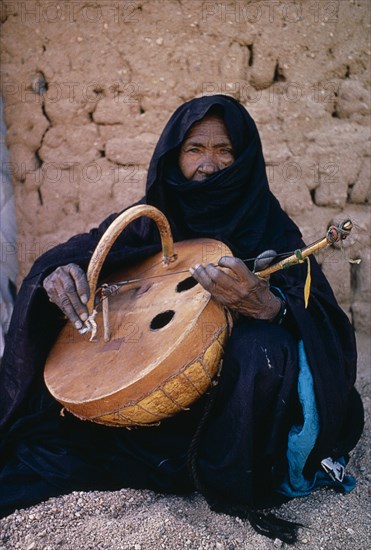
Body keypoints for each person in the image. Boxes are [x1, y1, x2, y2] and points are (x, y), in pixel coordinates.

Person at [0, 95, 364, 543]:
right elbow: (80, 253)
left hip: (227, 416)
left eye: (223, 150)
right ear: (174, 157)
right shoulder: (152, 215)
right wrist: (58, 277)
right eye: (195, 149)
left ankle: (232, 470)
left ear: (243, 157)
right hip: (143, 407)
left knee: (263, 348)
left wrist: (270, 308)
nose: (209, 164)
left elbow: (325, 325)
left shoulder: (269, 226)